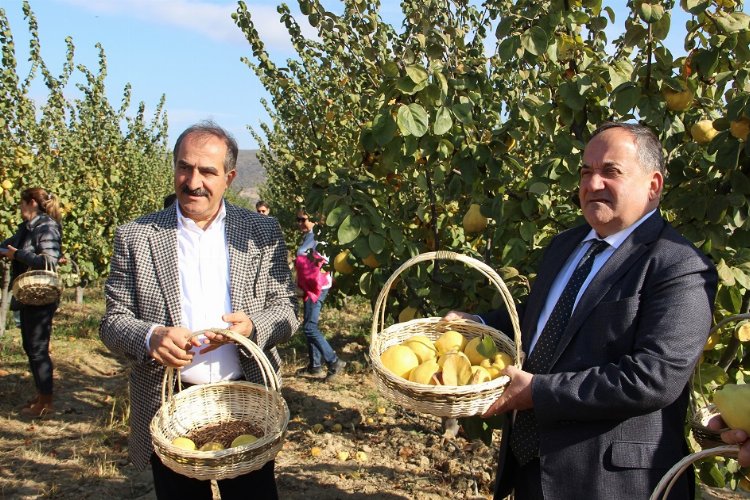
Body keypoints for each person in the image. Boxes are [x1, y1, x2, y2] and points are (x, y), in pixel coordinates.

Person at [446, 122, 717, 499]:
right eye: (586, 172)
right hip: (531, 468)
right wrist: (476, 325)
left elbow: (655, 376)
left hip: (610, 482)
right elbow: (541, 319)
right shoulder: (566, 245)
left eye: (611, 171)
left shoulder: (678, 265)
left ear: (653, 186)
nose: (593, 184)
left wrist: (540, 393)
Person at [100, 121, 299, 499]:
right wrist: (150, 336)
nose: (193, 182)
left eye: (208, 171)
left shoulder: (261, 231)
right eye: (184, 167)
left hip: (246, 401)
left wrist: (254, 328)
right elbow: (112, 322)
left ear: (229, 176)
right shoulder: (136, 235)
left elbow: (286, 310)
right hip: (170, 407)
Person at [0, 187, 63, 417]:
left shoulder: (46, 227)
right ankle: (40, 395)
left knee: (38, 349)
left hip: (41, 296)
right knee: (31, 347)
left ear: (32, 203)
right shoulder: (26, 229)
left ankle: (46, 402)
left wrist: (17, 255)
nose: (19, 207)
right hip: (27, 295)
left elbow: (48, 262)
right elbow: (7, 246)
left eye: (21, 202)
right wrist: (9, 252)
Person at [293, 209, 346, 380]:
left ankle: (334, 361)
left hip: (317, 288)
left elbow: (322, 264)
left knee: (309, 327)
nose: (300, 223)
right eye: (298, 219)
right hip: (309, 287)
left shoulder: (320, 238)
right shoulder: (309, 235)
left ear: (314, 219)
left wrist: (308, 282)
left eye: (303, 219)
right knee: (309, 324)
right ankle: (315, 366)